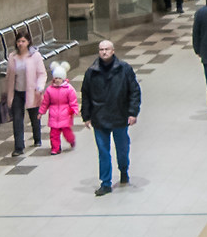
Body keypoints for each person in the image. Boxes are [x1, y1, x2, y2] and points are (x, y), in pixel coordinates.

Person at [81, 38, 143, 197]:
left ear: (113, 51)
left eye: (107, 49)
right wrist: (86, 116)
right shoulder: (91, 72)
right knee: (103, 151)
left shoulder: (124, 69)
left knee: (122, 147)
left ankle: (124, 169)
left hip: (119, 115)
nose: (104, 52)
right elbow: (86, 94)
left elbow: (134, 91)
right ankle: (106, 182)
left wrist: (132, 112)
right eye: (101, 49)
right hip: (99, 117)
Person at [2, 30, 47, 154]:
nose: (21, 44)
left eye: (23, 41)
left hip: (32, 91)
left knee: (34, 116)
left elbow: (42, 74)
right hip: (17, 92)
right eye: (18, 41)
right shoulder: (12, 57)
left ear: (28, 42)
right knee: (17, 118)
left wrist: (39, 87)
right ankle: (19, 147)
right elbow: (9, 75)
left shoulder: (35, 56)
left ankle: (37, 137)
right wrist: (6, 92)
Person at [41, 63, 80, 153]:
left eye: (59, 78)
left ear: (63, 78)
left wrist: (74, 109)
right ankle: (55, 148)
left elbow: (72, 101)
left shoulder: (69, 89)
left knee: (67, 132)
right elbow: (45, 102)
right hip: (54, 115)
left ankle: (71, 140)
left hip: (65, 115)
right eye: (56, 78)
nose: (57, 80)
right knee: (54, 134)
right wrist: (41, 112)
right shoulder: (50, 90)